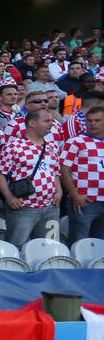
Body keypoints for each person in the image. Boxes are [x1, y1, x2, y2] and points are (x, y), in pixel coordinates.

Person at [0, 108, 62, 249]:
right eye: (46, 121)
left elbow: (55, 171)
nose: (51, 124)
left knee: (51, 246)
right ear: (32, 123)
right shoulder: (13, 146)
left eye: (52, 120)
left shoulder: (52, 146)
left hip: (50, 207)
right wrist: (9, 197)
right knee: (15, 246)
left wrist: (59, 191)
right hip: (24, 207)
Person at [61, 104, 104, 244]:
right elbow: (64, 169)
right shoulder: (75, 142)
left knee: (100, 243)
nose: (92, 123)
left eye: (97, 120)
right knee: (78, 241)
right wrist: (74, 194)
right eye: (89, 120)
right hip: (84, 201)